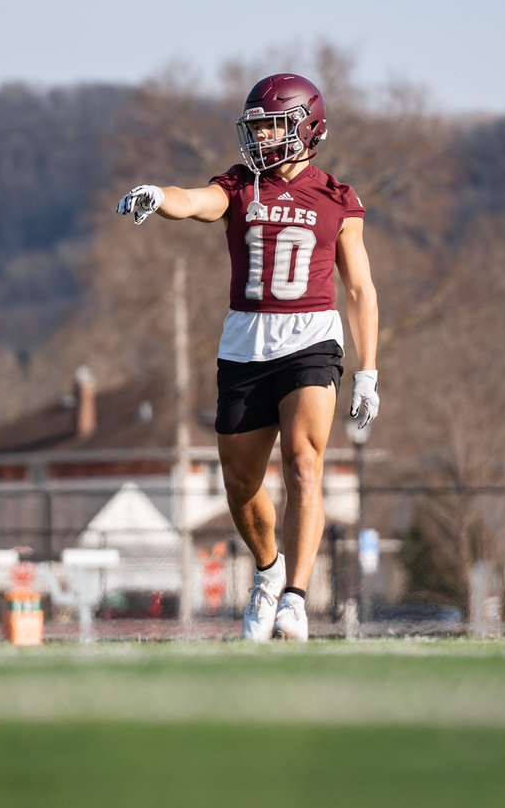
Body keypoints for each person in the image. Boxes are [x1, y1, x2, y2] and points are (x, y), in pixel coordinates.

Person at [116, 73, 379, 642]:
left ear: (307, 128)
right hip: (246, 343)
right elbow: (198, 202)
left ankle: (295, 600)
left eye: (272, 126)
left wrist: (369, 371)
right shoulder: (240, 185)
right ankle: (267, 572)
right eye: (255, 127)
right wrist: (161, 196)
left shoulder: (338, 198)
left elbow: (358, 288)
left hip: (311, 338)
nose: (260, 139)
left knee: (305, 466)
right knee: (239, 480)